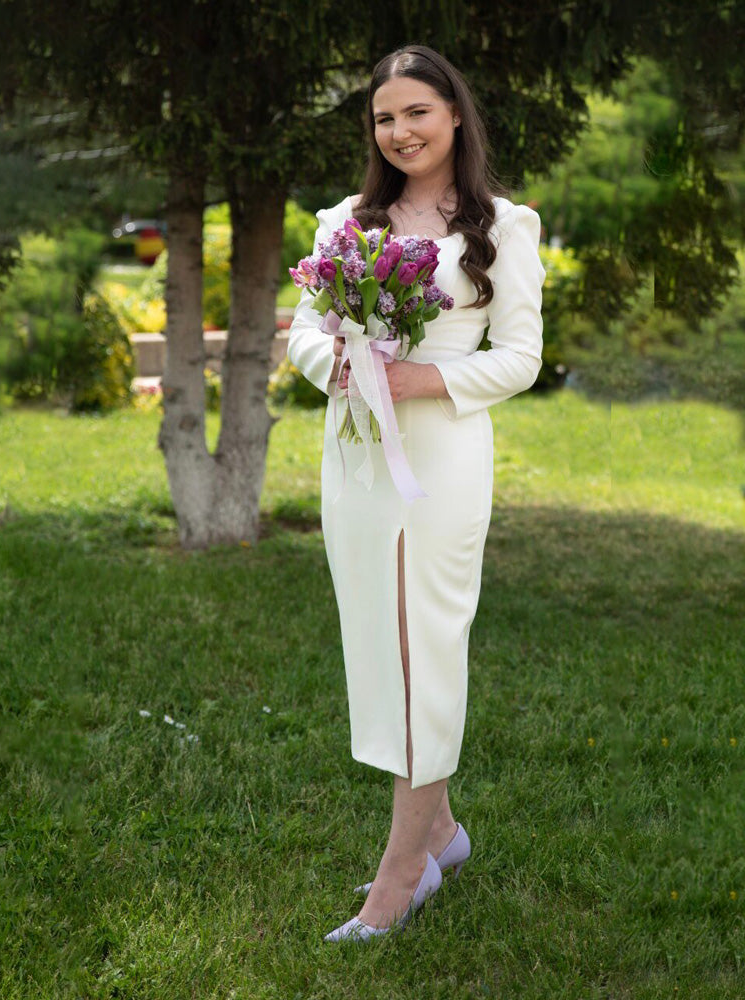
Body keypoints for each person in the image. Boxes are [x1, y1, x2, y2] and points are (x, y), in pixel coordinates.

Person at [286, 44, 546, 943]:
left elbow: (520, 357)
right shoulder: (345, 222)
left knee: (423, 647)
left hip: (441, 460)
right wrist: (340, 365)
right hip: (356, 461)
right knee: (377, 647)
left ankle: (402, 876)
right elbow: (304, 331)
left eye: (416, 113)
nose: (400, 132)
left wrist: (419, 381)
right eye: (384, 118)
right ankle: (440, 832)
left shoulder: (503, 225)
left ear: (455, 115)